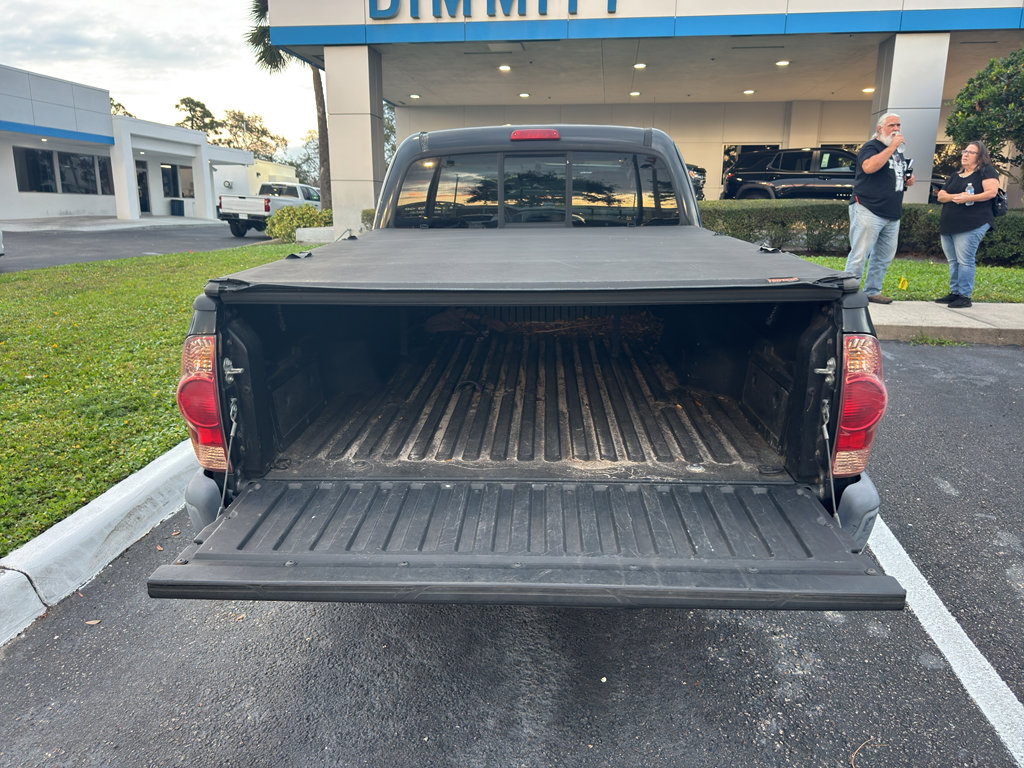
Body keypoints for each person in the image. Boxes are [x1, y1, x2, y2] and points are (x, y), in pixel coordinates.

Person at [844, 113, 915, 304]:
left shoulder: (898, 152)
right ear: (880, 128)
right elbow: (868, 167)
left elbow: (893, 175)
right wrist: (891, 147)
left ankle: (872, 290)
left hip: (892, 213)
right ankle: (847, 294)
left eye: (898, 125)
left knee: (883, 257)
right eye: (891, 125)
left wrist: (907, 179)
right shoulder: (871, 147)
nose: (896, 129)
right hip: (868, 208)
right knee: (859, 254)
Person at [933, 141, 999, 309]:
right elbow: (941, 196)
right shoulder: (956, 175)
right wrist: (956, 197)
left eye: (971, 152)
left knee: (965, 260)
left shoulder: (986, 171)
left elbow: (991, 192)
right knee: (953, 260)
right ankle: (955, 292)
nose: (965, 154)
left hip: (973, 223)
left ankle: (964, 296)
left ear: (980, 156)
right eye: (964, 151)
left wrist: (968, 198)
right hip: (949, 223)